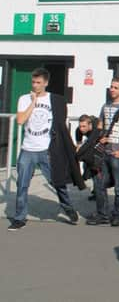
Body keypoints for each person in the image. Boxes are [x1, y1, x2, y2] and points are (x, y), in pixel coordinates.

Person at [9, 68, 85, 231]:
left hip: (47, 150)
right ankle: (19, 217)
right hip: (28, 149)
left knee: (57, 182)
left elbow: (60, 124)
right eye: (33, 82)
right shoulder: (24, 99)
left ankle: (68, 209)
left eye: (38, 82)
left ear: (46, 83)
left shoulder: (55, 100)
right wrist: (33, 102)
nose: (35, 85)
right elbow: (21, 120)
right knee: (22, 185)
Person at [86, 77, 119, 227]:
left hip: (117, 153)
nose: (112, 89)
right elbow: (100, 125)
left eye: (116, 87)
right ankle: (102, 214)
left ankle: (118, 214)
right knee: (99, 184)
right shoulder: (105, 106)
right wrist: (100, 138)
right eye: (111, 87)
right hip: (104, 152)